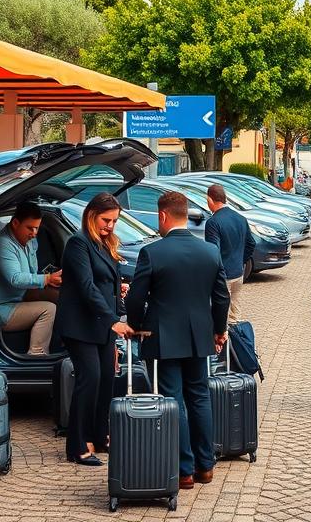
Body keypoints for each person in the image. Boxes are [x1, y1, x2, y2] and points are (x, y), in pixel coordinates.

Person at [126, 192, 230, 490]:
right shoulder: (210, 252)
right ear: (185, 214)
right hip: (200, 336)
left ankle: (184, 470)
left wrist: (136, 325)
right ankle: (206, 466)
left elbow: (135, 297)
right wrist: (218, 330)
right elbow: (221, 297)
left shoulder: (152, 252)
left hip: (164, 337)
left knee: (174, 399)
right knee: (200, 397)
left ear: (162, 216)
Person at [54, 193, 133, 466]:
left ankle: (100, 436)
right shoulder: (78, 243)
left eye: (114, 221)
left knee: (106, 380)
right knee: (90, 379)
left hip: (102, 325)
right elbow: (86, 287)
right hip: (80, 325)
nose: (110, 225)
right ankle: (76, 445)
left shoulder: (105, 243)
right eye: (106, 220)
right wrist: (113, 319)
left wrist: (117, 291)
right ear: (91, 215)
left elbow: (104, 280)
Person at [0, 201, 61, 355]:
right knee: (49, 309)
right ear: (15, 223)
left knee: (62, 296)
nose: (34, 233)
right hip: (4, 308)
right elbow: (16, 279)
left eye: (37, 228)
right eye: (30, 228)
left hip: (20, 296)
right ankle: (36, 354)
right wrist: (47, 279)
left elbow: (32, 271)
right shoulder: (3, 245)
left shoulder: (29, 240)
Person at [204, 183, 255, 324]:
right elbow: (251, 244)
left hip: (222, 277)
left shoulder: (213, 223)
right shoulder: (240, 218)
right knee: (234, 318)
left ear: (209, 200)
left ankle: (222, 344)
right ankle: (237, 345)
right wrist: (241, 261)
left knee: (220, 320)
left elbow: (213, 251)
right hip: (238, 274)